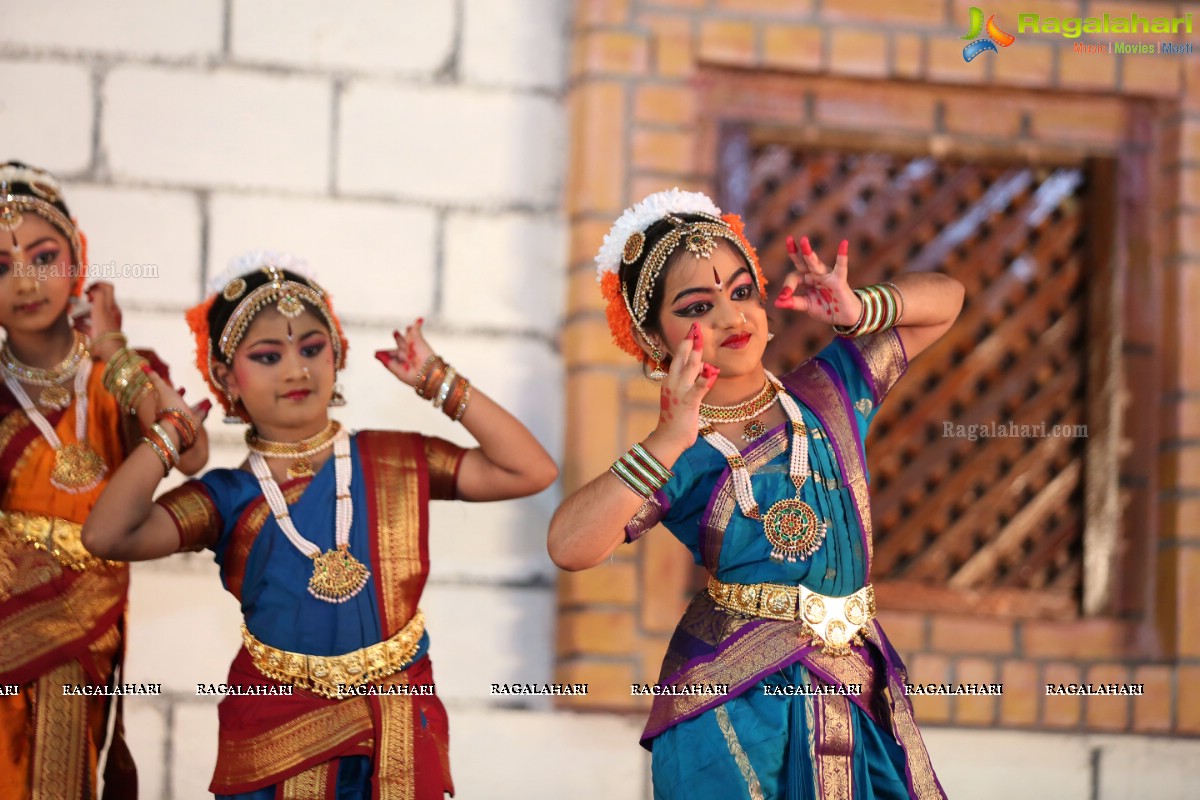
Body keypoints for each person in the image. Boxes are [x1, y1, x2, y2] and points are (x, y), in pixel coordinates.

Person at [83, 251, 558, 798]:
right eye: (267, 356)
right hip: (276, 733)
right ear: (224, 377)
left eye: (312, 348)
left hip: (396, 730)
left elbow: (531, 470)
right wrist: (166, 437)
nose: (296, 369)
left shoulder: (396, 459)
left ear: (337, 356)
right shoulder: (228, 497)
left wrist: (439, 382)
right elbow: (106, 536)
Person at [548, 189, 964, 799]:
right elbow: (569, 545)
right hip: (733, 701)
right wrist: (667, 439)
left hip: (855, 679)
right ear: (655, 338)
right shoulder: (678, 454)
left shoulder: (829, 393)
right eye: (697, 306)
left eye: (741, 292)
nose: (728, 316)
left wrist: (861, 308)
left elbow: (945, 301)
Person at [0, 161, 210, 798]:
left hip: (85, 629)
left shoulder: (120, 373)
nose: (28, 281)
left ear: (77, 261)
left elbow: (190, 447)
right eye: (1, 267)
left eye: (44, 256)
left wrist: (114, 352)